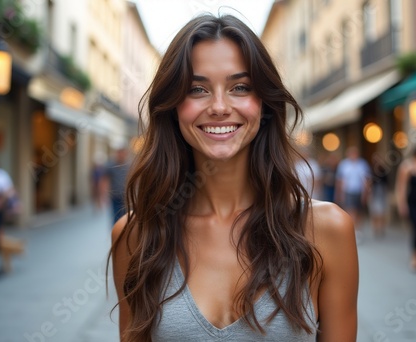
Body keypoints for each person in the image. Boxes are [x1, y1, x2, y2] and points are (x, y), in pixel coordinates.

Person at [110, 15, 358, 342]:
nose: (219, 106)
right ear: (172, 107)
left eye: (239, 87)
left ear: (264, 103)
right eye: (196, 89)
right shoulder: (136, 235)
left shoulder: (327, 230)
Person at [335, 146, 371, 234]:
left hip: (359, 191)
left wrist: (366, 193)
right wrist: (339, 193)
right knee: (351, 210)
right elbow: (340, 180)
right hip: (348, 191)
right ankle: (352, 229)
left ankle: (358, 229)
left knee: (359, 211)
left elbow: (366, 180)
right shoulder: (344, 164)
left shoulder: (362, 164)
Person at [102, 147, 130, 225]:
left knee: (126, 217)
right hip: (115, 196)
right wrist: (104, 195)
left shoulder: (129, 165)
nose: (121, 155)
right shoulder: (110, 165)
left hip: (126, 196)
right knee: (116, 216)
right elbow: (105, 180)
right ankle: (116, 234)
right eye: (119, 152)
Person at [369, 158, 389, 237]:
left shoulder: (384, 171)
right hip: (374, 193)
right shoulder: (371, 171)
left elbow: (386, 184)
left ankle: (381, 227)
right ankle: (376, 228)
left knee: (381, 212)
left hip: (381, 193)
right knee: (374, 212)